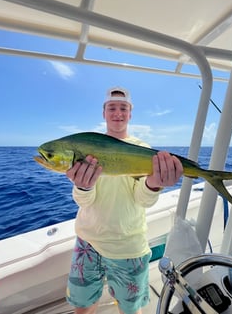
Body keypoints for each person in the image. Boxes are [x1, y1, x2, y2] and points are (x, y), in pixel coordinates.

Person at [66, 87, 183, 314]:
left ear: (130, 113)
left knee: (131, 311)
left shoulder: (143, 150)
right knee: (82, 308)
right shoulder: (89, 146)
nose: (117, 112)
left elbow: (143, 200)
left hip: (128, 246)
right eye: (112, 107)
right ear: (104, 113)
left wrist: (153, 184)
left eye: (123, 108)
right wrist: (82, 186)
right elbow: (84, 200)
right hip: (87, 243)